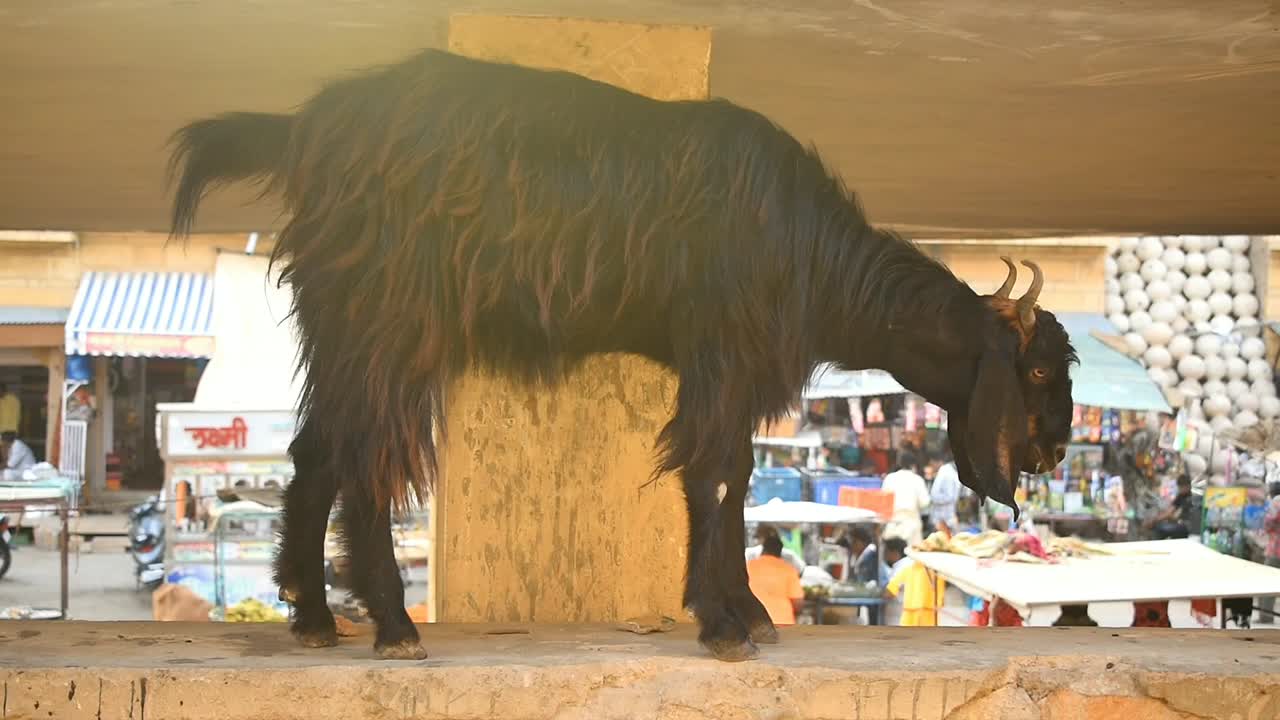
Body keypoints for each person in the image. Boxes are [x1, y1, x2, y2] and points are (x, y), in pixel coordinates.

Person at [746, 535, 805, 626]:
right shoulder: (789, 570)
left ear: (763, 550)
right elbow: (798, 604)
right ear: (780, 552)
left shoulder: (747, 567)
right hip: (783, 623)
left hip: (752, 621)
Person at [881, 451, 931, 545]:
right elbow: (925, 503)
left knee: (893, 557)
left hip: (892, 525)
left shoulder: (889, 478)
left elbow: (883, 502)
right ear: (913, 465)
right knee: (911, 558)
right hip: (912, 526)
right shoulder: (917, 480)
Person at [1147, 473, 1194, 540]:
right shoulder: (1181, 496)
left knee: (1159, 528)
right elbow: (1170, 510)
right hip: (1181, 525)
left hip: (1186, 527)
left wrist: (1155, 520)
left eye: (1180, 487)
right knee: (1160, 526)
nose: (1179, 489)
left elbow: (1172, 515)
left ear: (1187, 486)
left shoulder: (1189, 498)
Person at [1259, 483, 1280, 624]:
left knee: (1268, 582)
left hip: (1276, 548)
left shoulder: (1276, 503)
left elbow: (1268, 522)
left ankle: (1266, 616)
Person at [929, 452, 962, 533]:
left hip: (944, 519)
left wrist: (932, 499)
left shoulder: (945, 471)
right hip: (946, 517)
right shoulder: (949, 471)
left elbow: (949, 496)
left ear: (935, 462)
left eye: (931, 464)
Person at [880, 537, 910, 626]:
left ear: (895, 553)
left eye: (886, 552)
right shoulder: (906, 564)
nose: (885, 556)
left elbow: (889, 593)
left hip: (898, 617)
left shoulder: (902, 568)